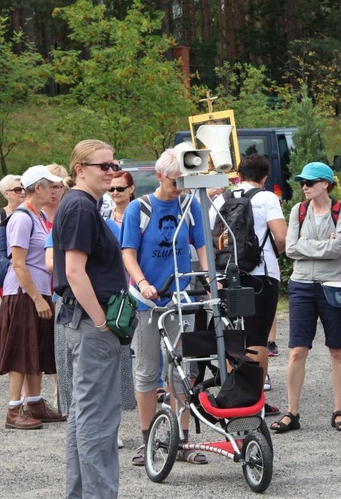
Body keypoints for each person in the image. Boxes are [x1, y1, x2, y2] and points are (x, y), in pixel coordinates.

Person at [121, 143, 209, 467]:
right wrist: (142, 283)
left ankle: (181, 441)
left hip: (180, 298)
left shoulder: (189, 204)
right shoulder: (139, 209)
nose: (179, 186)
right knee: (146, 371)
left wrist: (206, 276)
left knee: (183, 370)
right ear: (160, 176)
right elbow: (127, 253)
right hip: (147, 301)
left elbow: (201, 243)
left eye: (184, 180)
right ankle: (149, 442)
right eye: (175, 180)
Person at [52, 140, 125, 498]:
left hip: (84, 322)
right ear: (80, 168)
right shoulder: (81, 206)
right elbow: (74, 272)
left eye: (114, 165)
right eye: (104, 166)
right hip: (91, 324)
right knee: (98, 420)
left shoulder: (82, 204)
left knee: (85, 416)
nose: (111, 172)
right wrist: (101, 321)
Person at [271, 162, 341, 434]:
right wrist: (327, 246)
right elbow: (291, 248)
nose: (304, 187)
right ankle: (292, 412)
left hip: (333, 285)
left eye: (309, 182)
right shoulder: (298, 210)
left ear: (325, 184)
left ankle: (338, 410)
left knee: (337, 349)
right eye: (302, 183)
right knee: (297, 350)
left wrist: (322, 246)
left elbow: (340, 247)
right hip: (302, 285)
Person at [0, 166, 66, 430]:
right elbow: (18, 264)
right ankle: (12, 409)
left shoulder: (39, 216)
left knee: (36, 348)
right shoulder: (22, 218)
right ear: (38, 188)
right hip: (23, 293)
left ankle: (35, 403)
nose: (56, 190)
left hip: (37, 291)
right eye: (51, 186)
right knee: (20, 349)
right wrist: (37, 299)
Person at [210, 154, 288, 417]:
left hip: (226, 274)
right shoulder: (267, 198)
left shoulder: (221, 199)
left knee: (233, 334)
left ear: (239, 174)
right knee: (257, 338)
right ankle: (256, 399)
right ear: (264, 178)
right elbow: (281, 237)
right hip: (261, 275)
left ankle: (235, 395)